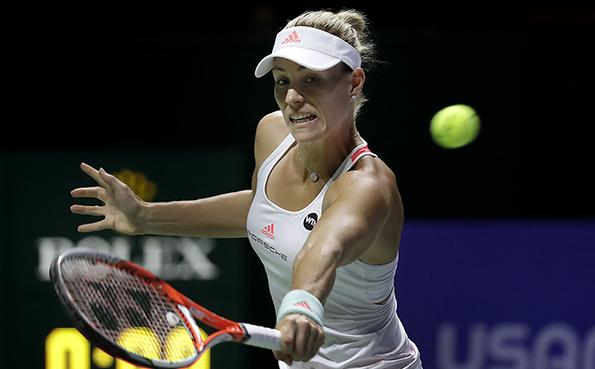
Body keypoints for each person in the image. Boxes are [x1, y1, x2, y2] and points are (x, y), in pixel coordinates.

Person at [70, 9, 422, 369]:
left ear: (355, 82)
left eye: (312, 80)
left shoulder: (368, 185)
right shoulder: (272, 134)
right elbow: (262, 211)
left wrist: (301, 308)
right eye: (282, 81)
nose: (293, 97)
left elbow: (323, 249)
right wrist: (146, 216)